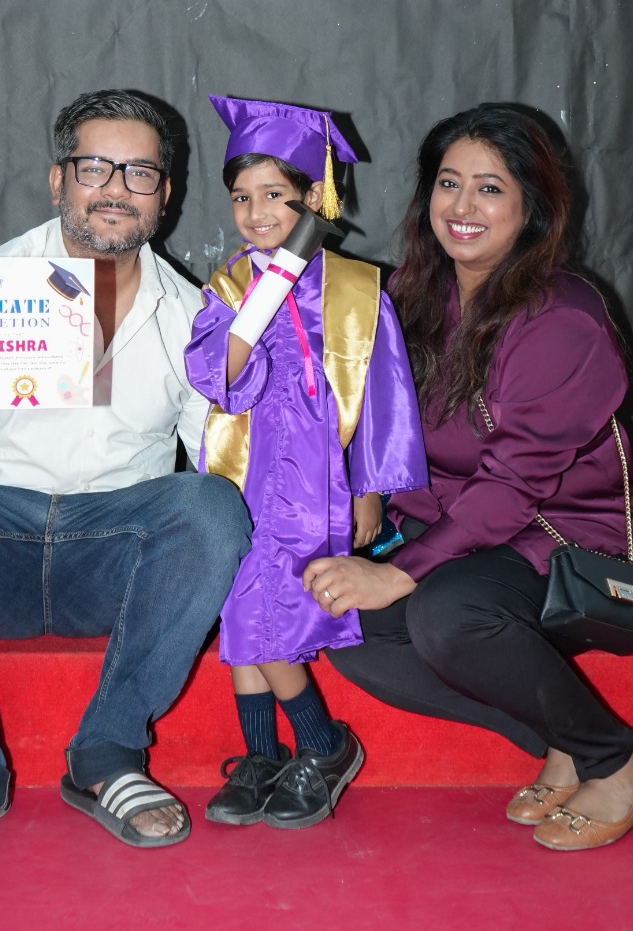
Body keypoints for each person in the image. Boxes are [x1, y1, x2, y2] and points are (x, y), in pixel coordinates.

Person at [0, 89, 251, 862]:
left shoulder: (195, 318)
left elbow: (221, 461)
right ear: (58, 179)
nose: (116, 189)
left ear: (165, 193)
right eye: (94, 167)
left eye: (139, 172)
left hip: (113, 565)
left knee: (211, 506)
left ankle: (108, 755)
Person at [305, 104, 633, 852]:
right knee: (346, 628)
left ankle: (617, 762)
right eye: (448, 183)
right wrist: (363, 502)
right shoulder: (412, 294)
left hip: (563, 534)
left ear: (533, 208)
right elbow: (369, 418)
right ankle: (560, 739)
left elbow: (513, 485)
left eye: (490, 188)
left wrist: (398, 573)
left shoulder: (561, 319)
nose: (462, 206)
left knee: (449, 615)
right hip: (450, 528)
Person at [184, 96, 428, 828]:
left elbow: (384, 394)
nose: (256, 212)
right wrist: (270, 286)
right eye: (241, 197)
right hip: (244, 477)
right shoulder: (228, 288)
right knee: (242, 611)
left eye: (275, 195)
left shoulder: (357, 289)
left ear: (316, 195)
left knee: (271, 613)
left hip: (318, 484)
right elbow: (218, 377)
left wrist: (371, 490)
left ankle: (316, 747)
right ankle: (275, 755)